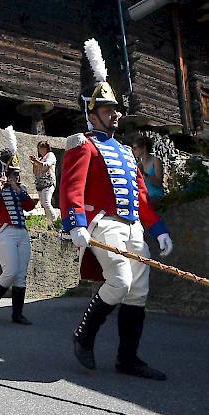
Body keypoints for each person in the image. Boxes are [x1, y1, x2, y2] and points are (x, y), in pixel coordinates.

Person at [61, 39, 173, 380]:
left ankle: (128, 358)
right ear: (91, 112)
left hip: (133, 226)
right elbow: (71, 189)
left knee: (138, 291)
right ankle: (84, 335)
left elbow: (140, 197)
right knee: (120, 280)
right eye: (109, 109)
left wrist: (159, 229)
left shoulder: (126, 152)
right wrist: (75, 223)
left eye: (116, 109)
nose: (116, 114)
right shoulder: (83, 144)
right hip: (102, 223)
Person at [0, 126, 36, 325]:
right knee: (11, 271)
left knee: (21, 275)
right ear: (4, 172)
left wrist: (18, 188)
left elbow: (30, 207)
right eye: (12, 173)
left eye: (17, 174)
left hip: (22, 233)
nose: (15, 177)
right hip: (4, 232)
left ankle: (17, 314)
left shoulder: (20, 189)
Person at [29, 140, 59, 223]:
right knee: (43, 204)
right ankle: (50, 222)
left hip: (48, 182)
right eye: (39, 148)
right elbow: (35, 172)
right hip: (40, 184)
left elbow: (46, 166)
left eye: (42, 148)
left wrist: (36, 161)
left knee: (46, 202)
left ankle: (55, 222)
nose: (41, 150)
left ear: (47, 148)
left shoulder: (50, 155)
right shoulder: (40, 159)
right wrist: (34, 163)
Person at [132, 135, 165, 201]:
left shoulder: (156, 161)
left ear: (144, 148)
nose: (133, 151)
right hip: (144, 199)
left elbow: (158, 183)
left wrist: (144, 174)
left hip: (156, 197)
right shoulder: (138, 165)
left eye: (135, 148)